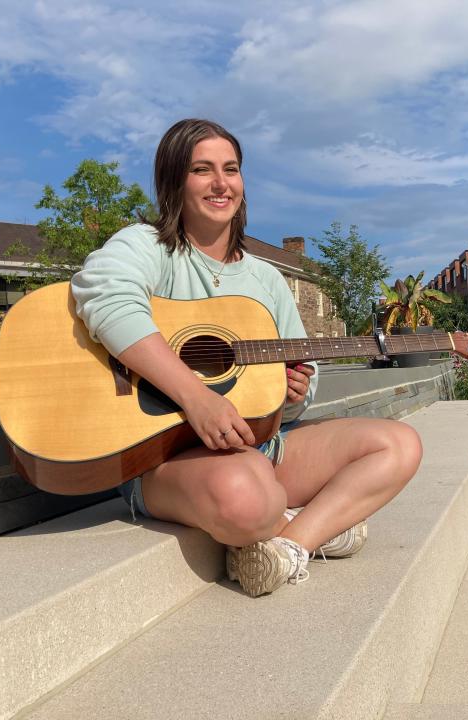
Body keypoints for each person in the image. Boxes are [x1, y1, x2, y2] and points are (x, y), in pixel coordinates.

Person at [71, 118, 422, 597]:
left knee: (399, 445)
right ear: (174, 180)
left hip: (261, 447)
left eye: (231, 169)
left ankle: (288, 547)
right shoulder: (145, 246)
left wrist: (295, 392)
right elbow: (105, 299)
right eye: (202, 170)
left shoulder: (267, 278)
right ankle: (317, 525)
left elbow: (297, 393)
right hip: (161, 457)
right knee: (245, 491)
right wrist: (196, 397)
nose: (221, 183)